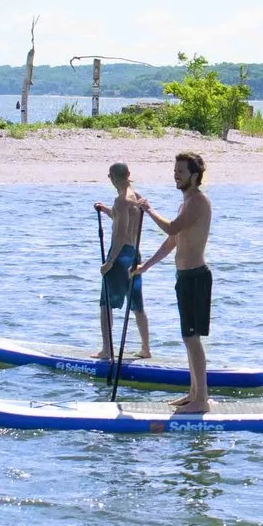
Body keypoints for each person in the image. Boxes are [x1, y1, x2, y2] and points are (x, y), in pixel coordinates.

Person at [133, 149, 214, 413]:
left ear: (194, 174)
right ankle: (193, 395)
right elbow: (172, 240)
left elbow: (171, 227)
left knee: (192, 338)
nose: (176, 176)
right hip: (184, 276)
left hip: (196, 277)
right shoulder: (186, 203)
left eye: (181, 171)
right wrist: (146, 266)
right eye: (175, 171)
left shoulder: (198, 202)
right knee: (187, 337)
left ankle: (202, 399)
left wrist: (149, 209)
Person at [94, 162, 154, 361]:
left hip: (119, 256)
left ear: (111, 177)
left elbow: (120, 234)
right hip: (134, 255)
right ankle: (146, 348)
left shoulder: (121, 201)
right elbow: (122, 221)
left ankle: (107, 349)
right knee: (137, 304)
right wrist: (105, 210)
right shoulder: (136, 199)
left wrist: (109, 262)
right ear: (129, 175)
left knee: (106, 304)